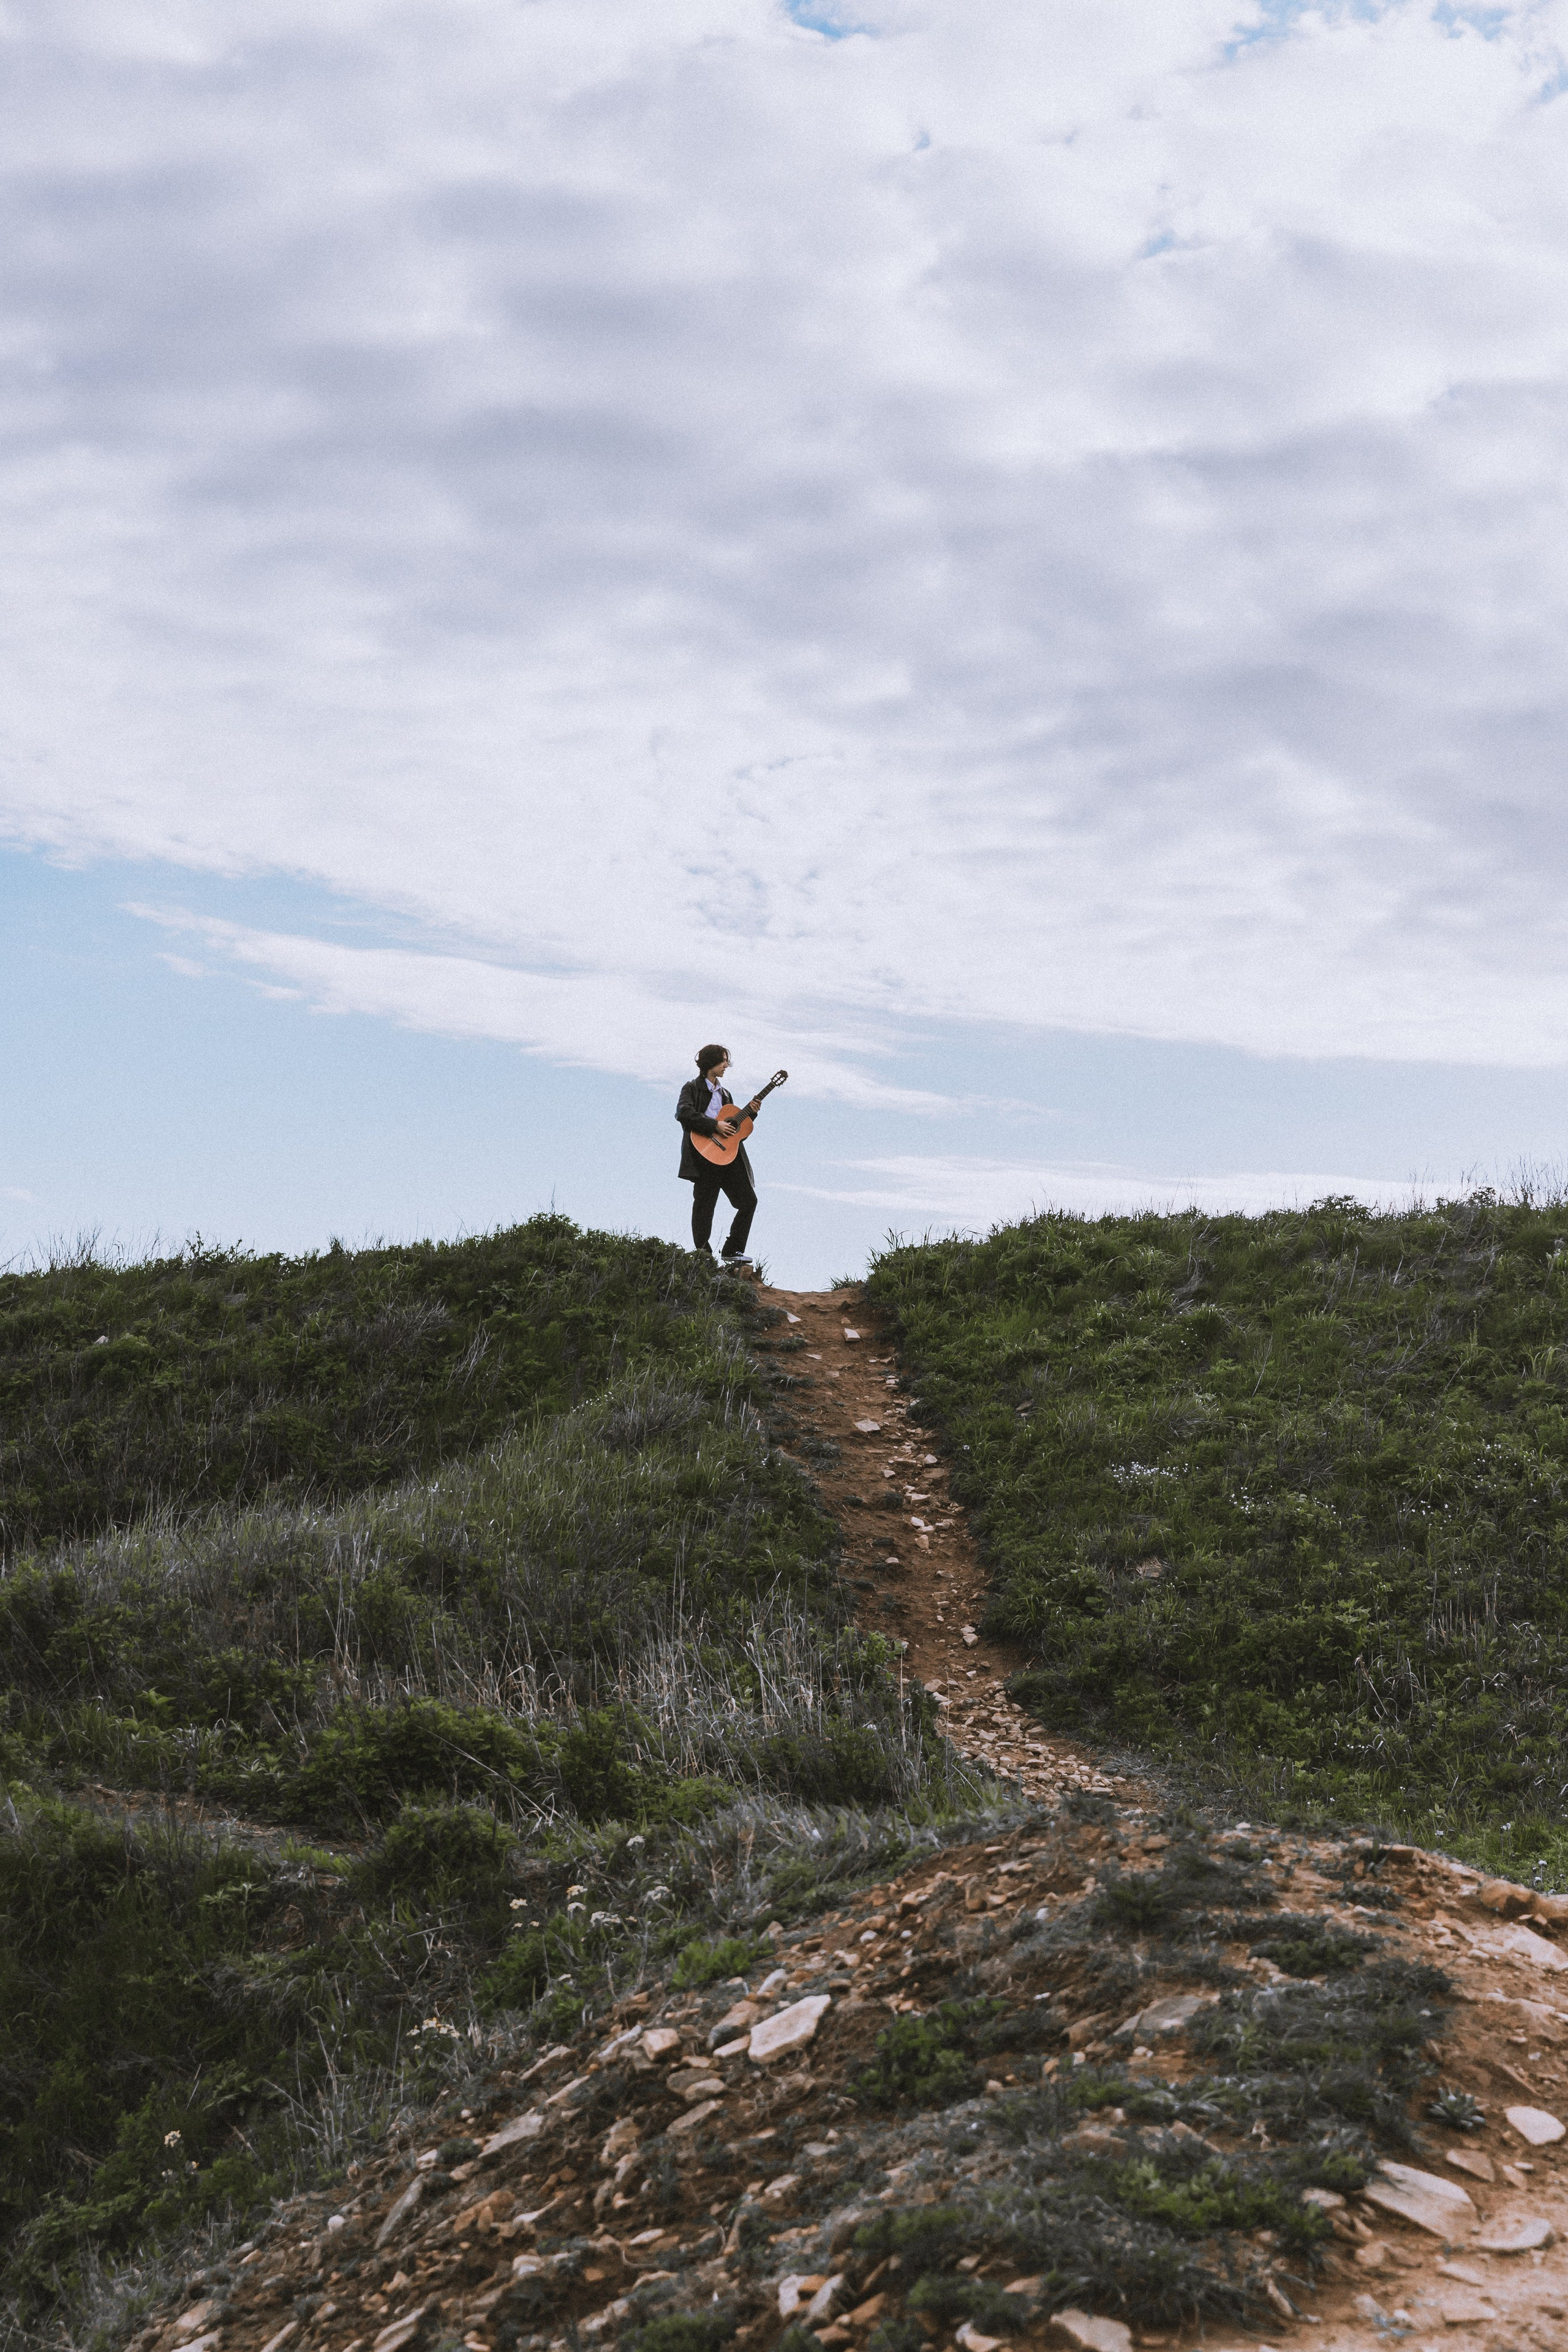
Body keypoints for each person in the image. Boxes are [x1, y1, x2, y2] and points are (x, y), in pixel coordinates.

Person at [676, 1044, 761, 1264]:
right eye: (723, 1061)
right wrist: (714, 1126)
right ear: (710, 1062)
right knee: (705, 1205)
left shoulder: (726, 1094)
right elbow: (684, 1113)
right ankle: (703, 1256)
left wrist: (751, 1113)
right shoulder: (692, 1088)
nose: (726, 1066)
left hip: (729, 1157)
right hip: (703, 1155)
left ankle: (733, 1250)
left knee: (749, 1201)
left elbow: (735, 1129)